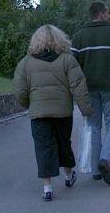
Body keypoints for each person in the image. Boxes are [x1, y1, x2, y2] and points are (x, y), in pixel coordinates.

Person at [14, 25, 92, 201]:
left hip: (39, 113)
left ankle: (47, 188)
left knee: (43, 147)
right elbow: (78, 86)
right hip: (63, 112)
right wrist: (86, 110)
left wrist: (28, 104)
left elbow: (20, 90)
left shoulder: (26, 62)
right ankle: (68, 175)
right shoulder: (67, 60)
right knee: (63, 143)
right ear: (60, 39)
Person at [71, 2, 110, 186]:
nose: (109, 15)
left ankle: (96, 170)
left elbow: (72, 64)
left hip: (89, 87)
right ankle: (106, 159)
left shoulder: (79, 36)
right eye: (107, 12)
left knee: (94, 126)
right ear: (102, 14)